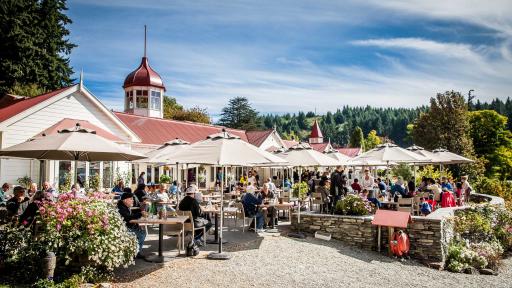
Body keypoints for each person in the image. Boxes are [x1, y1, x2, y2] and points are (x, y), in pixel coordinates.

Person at [117, 192, 146, 258]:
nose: (133, 200)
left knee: (142, 232)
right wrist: (140, 214)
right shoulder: (121, 208)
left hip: (126, 227)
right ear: (125, 200)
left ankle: (135, 251)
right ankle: (136, 253)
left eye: (132, 199)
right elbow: (128, 218)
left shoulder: (124, 206)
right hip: (124, 229)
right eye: (131, 199)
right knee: (142, 234)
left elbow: (129, 217)